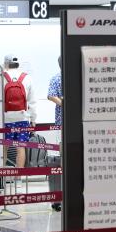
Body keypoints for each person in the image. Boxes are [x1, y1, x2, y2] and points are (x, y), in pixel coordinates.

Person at [3, 54, 37, 169]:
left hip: (5, 119)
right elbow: (32, 102)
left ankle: (2, 176)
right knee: (20, 147)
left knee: (4, 146)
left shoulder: (1, 77)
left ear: (6, 64)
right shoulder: (27, 77)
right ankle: (19, 177)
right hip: (22, 119)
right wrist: (33, 119)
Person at [47, 57, 63, 211]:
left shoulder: (56, 77)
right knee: (62, 157)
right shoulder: (57, 78)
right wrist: (65, 103)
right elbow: (51, 95)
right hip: (63, 122)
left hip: (64, 121)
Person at [47, 57, 63, 127]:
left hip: (62, 116)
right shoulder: (57, 78)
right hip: (62, 115)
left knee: (62, 136)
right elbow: (51, 96)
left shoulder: (55, 78)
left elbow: (51, 96)